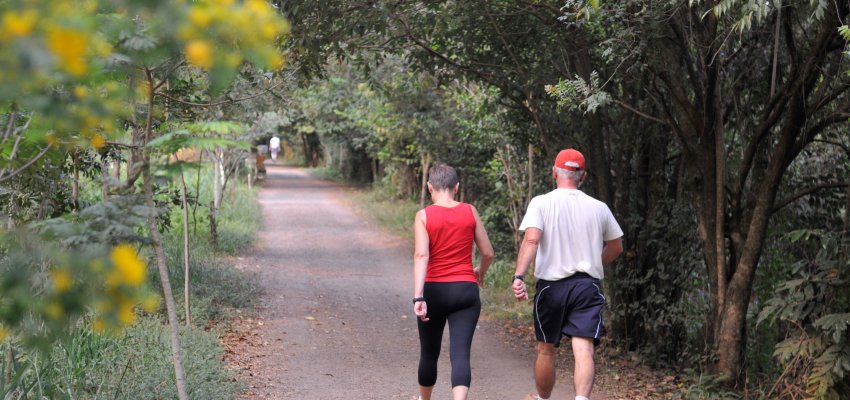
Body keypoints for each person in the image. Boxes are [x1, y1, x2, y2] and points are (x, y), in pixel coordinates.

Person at [511, 149, 624, 400]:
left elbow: (531, 239)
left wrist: (518, 276)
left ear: (554, 172)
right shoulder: (599, 208)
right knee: (583, 349)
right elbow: (616, 246)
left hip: (551, 288)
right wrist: (596, 260)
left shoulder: (541, 202)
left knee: (546, 349)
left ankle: (543, 399)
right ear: (582, 176)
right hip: (587, 286)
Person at [412, 164, 495, 400]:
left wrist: (419, 296)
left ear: (430, 188)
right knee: (460, 354)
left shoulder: (424, 216)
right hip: (465, 291)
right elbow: (488, 252)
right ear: (456, 188)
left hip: (433, 291)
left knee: (429, 352)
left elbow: (421, 255)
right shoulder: (470, 211)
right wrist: (480, 272)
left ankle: (424, 399)